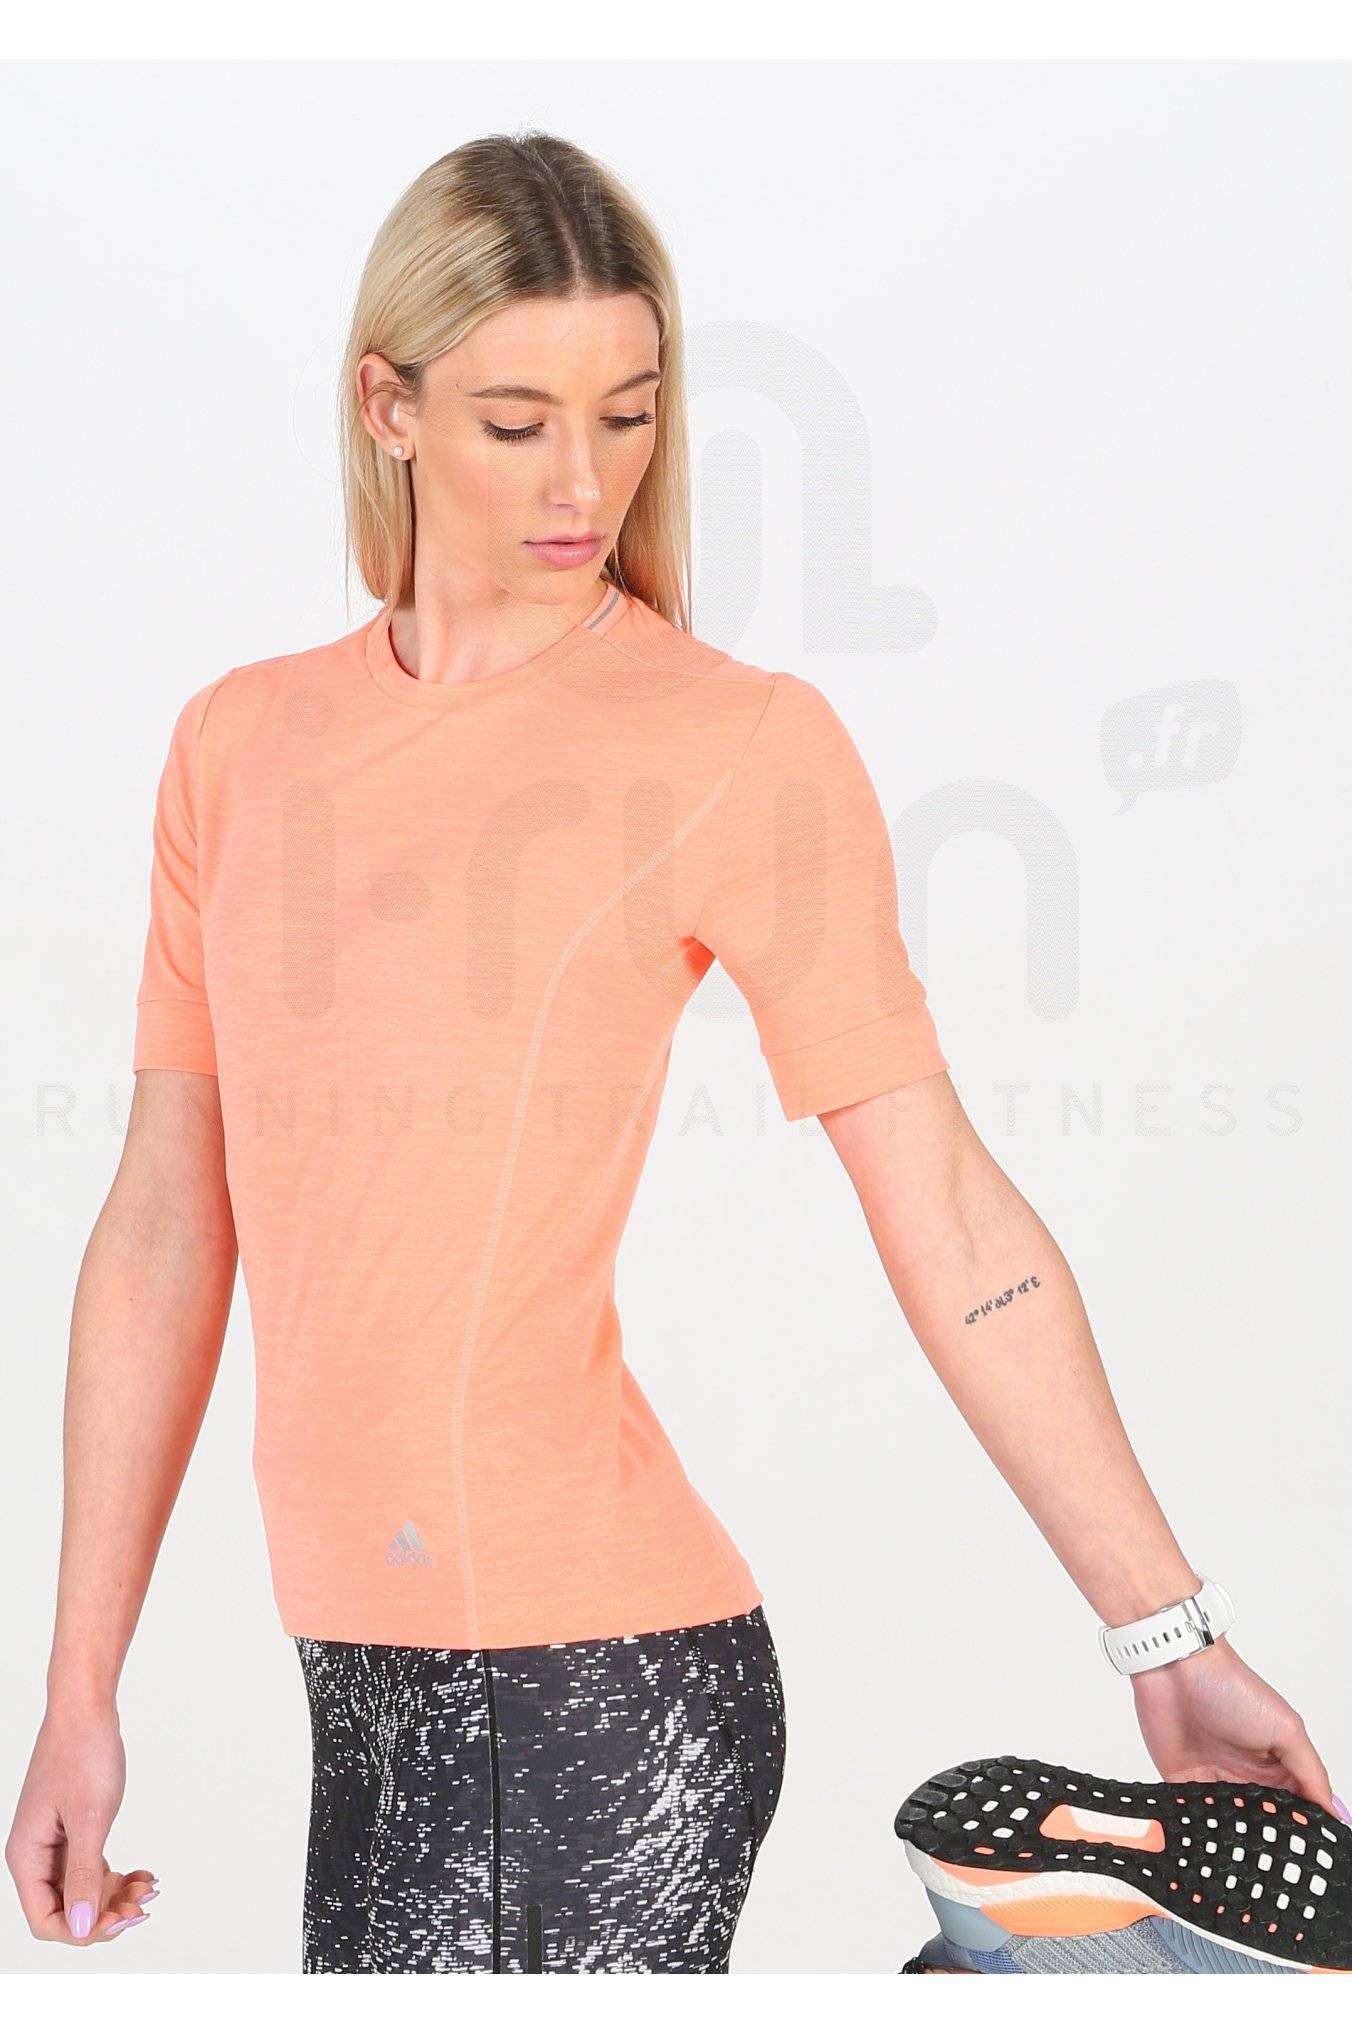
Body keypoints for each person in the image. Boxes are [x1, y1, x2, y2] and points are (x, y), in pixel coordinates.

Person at [5, 129, 1335, 1974]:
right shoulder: (239, 745)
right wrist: (79, 1683)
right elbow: (165, 1222)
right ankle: (1035, 1963)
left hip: (587, 1688)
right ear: (387, 407)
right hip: (372, 1677)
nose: (586, 478)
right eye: (517, 421)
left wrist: (1164, 1635)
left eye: (628, 414)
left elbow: (950, 1213)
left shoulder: (730, 743)